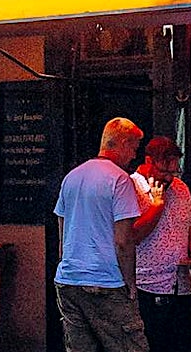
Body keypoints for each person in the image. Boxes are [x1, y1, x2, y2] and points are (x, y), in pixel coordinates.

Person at [53, 117, 147, 352]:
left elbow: (62, 233)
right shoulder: (120, 180)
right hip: (106, 280)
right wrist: (130, 283)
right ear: (123, 143)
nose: (134, 155)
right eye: (134, 148)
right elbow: (123, 241)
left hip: (69, 280)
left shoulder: (72, 177)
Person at [130, 136, 191, 352]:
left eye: (174, 172)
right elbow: (134, 235)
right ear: (148, 161)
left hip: (183, 286)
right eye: (164, 171)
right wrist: (157, 206)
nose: (169, 178)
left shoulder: (180, 188)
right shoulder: (131, 187)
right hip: (147, 286)